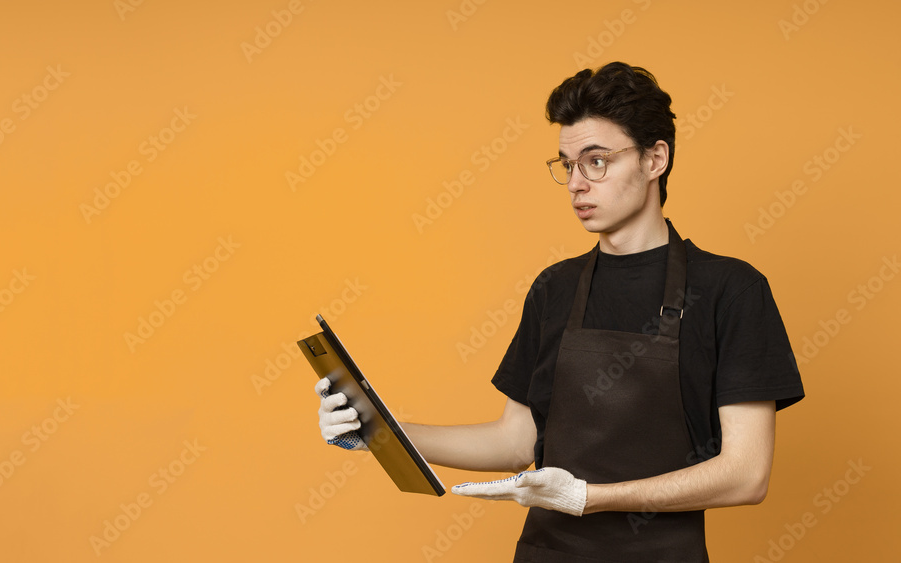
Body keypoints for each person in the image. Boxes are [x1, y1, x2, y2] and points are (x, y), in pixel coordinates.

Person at [315, 61, 804, 562]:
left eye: (597, 161)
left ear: (656, 159)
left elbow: (746, 474)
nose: (576, 184)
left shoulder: (730, 289)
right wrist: (378, 428)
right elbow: (513, 442)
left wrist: (589, 499)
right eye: (567, 165)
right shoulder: (556, 287)